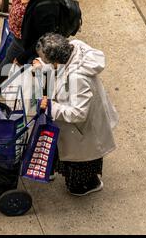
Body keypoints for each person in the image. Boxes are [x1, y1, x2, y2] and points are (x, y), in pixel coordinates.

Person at [35, 33, 119, 196]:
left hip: (82, 130)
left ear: (56, 61)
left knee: (80, 163)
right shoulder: (75, 47)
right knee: (66, 152)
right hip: (74, 129)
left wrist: (51, 107)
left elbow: (78, 113)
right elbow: (59, 71)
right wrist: (42, 67)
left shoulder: (77, 79)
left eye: (46, 60)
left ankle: (86, 185)